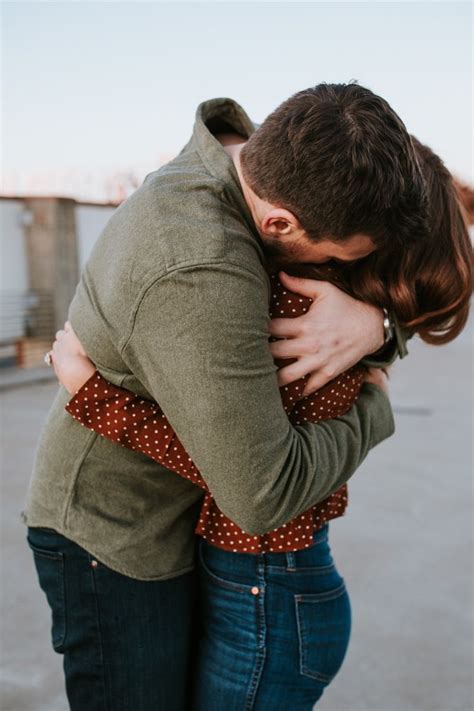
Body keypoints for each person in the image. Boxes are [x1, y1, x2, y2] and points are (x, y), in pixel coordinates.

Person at [24, 83, 432, 710]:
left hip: (178, 520)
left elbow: (395, 292)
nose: (341, 273)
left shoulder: (247, 161)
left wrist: (374, 326)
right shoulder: (200, 268)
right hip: (117, 538)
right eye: (335, 259)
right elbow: (262, 494)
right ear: (280, 223)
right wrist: (374, 414)